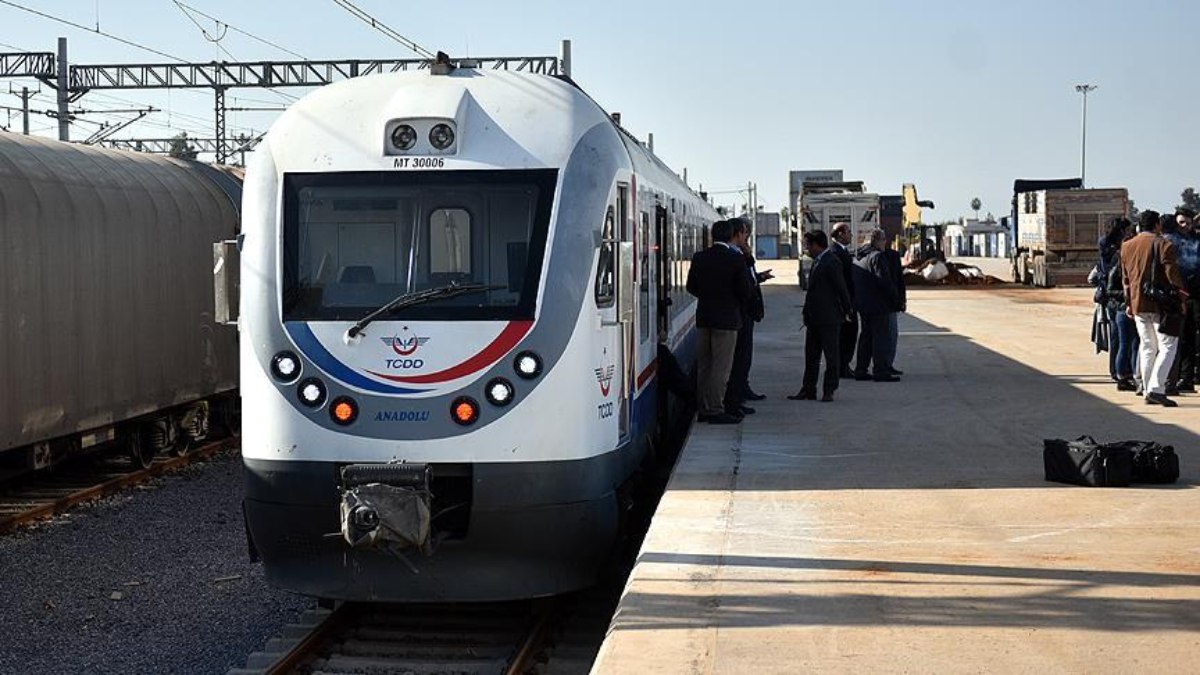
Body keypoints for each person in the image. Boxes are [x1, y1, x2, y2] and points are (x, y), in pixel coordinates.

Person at [686, 219, 752, 424]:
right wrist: (730, 301)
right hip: (727, 320)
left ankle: (704, 408)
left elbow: (691, 287)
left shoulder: (700, 257)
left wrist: (707, 297)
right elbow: (745, 291)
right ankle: (715, 409)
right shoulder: (735, 259)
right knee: (721, 367)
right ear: (731, 235)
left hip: (704, 317)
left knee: (705, 365)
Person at [1121, 210, 1188, 407]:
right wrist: (1181, 299)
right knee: (1168, 346)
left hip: (1137, 303)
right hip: (1161, 305)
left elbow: (1126, 279)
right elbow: (1172, 275)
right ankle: (1156, 389)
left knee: (1148, 346)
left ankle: (1145, 387)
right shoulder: (1164, 244)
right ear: (1157, 225)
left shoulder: (1126, 246)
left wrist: (1128, 303)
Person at [789, 230, 850, 402]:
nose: (807, 248)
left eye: (808, 244)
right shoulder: (818, 261)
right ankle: (808, 389)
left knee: (831, 356)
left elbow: (841, 288)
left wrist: (848, 310)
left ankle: (829, 390)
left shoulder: (831, 261)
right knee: (811, 356)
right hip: (814, 318)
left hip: (830, 318)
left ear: (817, 245)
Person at [852, 229, 902, 382]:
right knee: (881, 337)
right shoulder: (877, 257)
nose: (885, 243)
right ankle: (880, 371)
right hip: (879, 305)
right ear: (877, 241)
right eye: (884, 240)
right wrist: (897, 300)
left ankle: (861, 369)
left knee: (866, 336)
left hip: (864, 305)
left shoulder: (858, 257)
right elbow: (885, 282)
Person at [722, 220, 760, 416]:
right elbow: (744, 286)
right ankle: (734, 400)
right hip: (739, 314)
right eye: (745, 234)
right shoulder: (735, 257)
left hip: (744, 313)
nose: (747, 238)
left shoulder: (741, 256)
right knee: (738, 358)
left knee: (743, 357)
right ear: (737, 234)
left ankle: (741, 391)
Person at [1100, 218, 1138, 391]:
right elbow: (1113, 282)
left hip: (1112, 302)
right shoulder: (1117, 254)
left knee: (1117, 339)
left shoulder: (1107, 245)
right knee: (1125, 341)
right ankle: (1122, 374)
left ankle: (1117, 372)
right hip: (1119, 303)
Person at [1169, 208, 1199, 392]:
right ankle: (1175, 376)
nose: (1184, 226)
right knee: (1174, 340)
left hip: (1195, 297)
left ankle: (1187, 378)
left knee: (1190, 338)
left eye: (1187, 222)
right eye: (1181, 222)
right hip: (1176, 296)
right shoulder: (1171, 241)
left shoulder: (1197, 241)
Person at [829, 223, 857, 378]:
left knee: (849, 335)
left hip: (849, 300)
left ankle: (844, 365)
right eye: (848, 232)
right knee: (846, 336)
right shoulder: (836, 253)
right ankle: (842, 366)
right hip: (844, 303)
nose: (851, 235)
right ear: (840, 234)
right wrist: (847, 304)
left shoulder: (842, 251)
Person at [881, 235, 906, 376]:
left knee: (890, 335)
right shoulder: (873, 257)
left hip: (889, 303)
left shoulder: (892, 256)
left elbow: (899, 280)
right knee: (887, 335)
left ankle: (886, 364)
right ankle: (883, 366)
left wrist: (902, 300)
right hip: (883, 304)